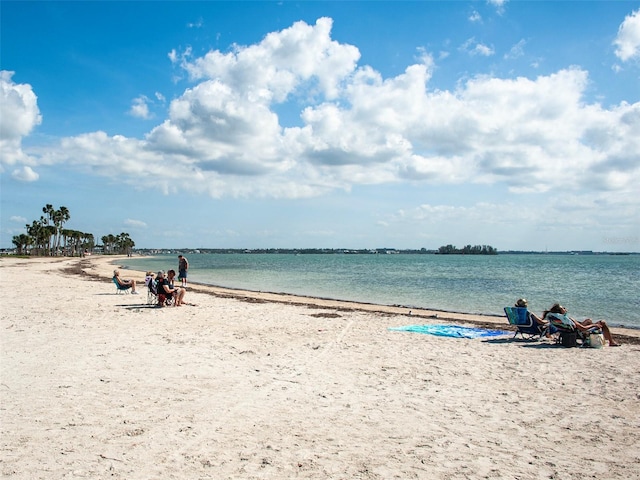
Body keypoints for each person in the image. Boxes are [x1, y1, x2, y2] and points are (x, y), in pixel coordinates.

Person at [542, 303, 621, 347]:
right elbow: (583, 328)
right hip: (578, 332)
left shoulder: (556, 319)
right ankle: (611, 342)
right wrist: (594, 325)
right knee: (602, 322)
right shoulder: (567, 319)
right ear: (560, 311)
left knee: (588, 320)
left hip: (568, 331)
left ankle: (590, 338)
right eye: (563, 308)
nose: (565, 309)